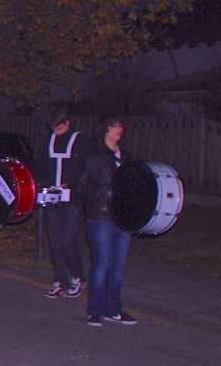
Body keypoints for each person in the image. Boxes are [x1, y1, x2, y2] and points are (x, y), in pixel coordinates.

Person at [77, 115, 138, 327]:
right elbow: (81, 188)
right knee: (101, 264)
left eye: (121, 124)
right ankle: (95, 310)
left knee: (118, 264)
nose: (119, 128)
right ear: (104, 130)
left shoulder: (128, 157)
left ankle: (114, 309)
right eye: (114, 125)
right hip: (101, 217)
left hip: (123, 217)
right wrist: (99, 199)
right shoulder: (94, 157)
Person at [38, 106, 91, 298]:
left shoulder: (81, 141)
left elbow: (86, 169)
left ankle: (78, 277)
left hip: (72, 201)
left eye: (59, 128)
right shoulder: (49, 141)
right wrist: (43, 184)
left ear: (67, 123)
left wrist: (76, 190)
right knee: (54, 242)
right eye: (53, 129)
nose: (56, 133)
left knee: (67, 240)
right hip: (53, 199)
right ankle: (60, 280)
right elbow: (41, 166)